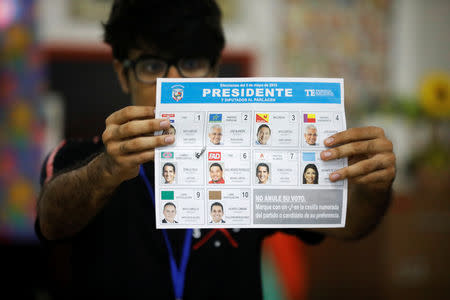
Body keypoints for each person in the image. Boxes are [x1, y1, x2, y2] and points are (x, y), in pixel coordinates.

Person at [35, 1, 396, 299]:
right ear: (122, 73)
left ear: (215, 71)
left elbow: (350, 226)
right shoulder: (80, 157)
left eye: (190, 64)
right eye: (152, 65)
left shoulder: (252, 157)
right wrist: (107, 170)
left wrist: (373, 187)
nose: (173, 82)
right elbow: (51, 224)